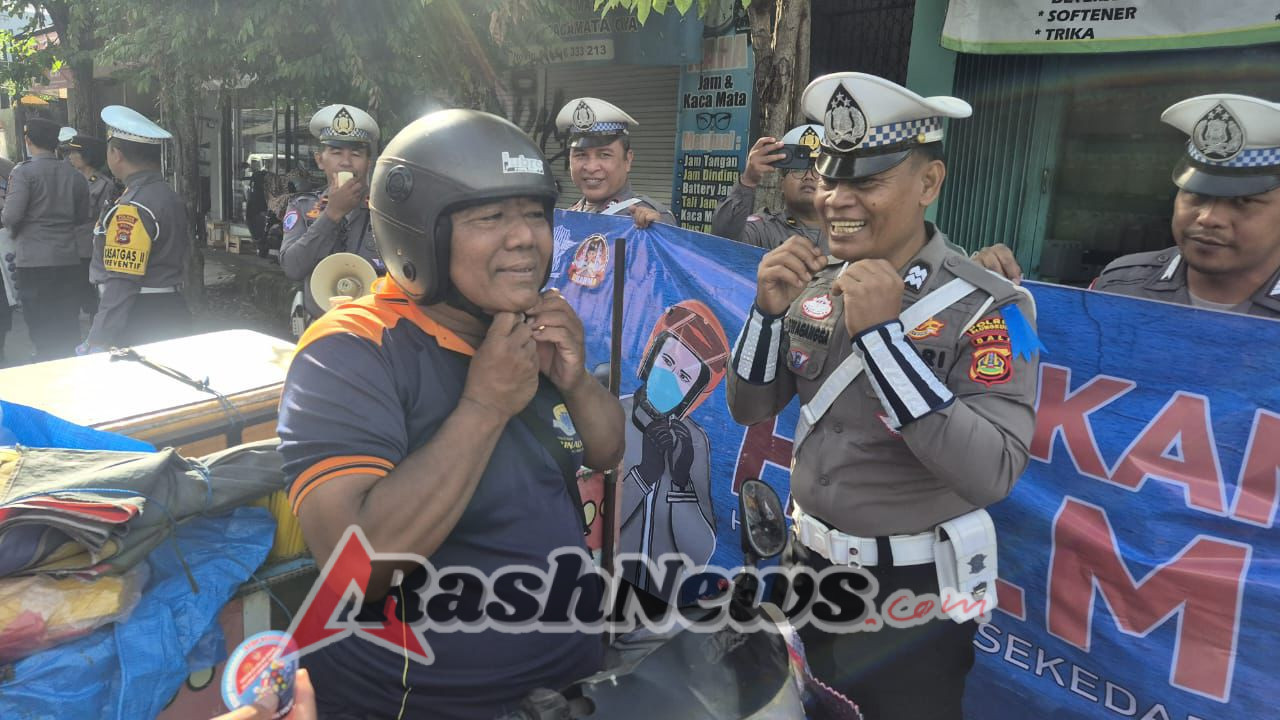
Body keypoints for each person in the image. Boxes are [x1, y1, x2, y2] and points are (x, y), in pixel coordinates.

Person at [276, 109, 625, 720]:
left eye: (535, 214)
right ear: (419, 235)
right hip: (426, 703)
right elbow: (357, 567)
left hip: (571, 688)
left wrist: (574, 379)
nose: (525, 238)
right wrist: (485, 405)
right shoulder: (351, 350)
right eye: (491, 217)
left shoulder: (522, 324)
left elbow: (606, 453)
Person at [725, 72, 1040, 720]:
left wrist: (884, 340)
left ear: (928, 183)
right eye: (831, 178)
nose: (837, 199)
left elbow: (993, 469)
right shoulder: (817, 285)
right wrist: (763, 314)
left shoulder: (993, 307)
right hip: (802, 567)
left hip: (910, 598)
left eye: (865, 182)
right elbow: (749, 410)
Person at [973, 93, 1280, 317]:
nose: (1210, 218)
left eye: (1243, 202)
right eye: (1196, 195)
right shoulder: (1121, 286)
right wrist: (982, 294)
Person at [81, 106, 192, 352]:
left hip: (138, 317)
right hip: (167, 310)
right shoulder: (166, 195)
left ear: (116, 154)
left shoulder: (133, 205)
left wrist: (98, 337)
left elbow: (122, 282)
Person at [279, 104, 381, 320]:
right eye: (335, 152)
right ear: (320, 160)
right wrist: (331, 214)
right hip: (318, 328)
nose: (345, 162)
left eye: (356, 154)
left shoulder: (383, 211)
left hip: (373, 330)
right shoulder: (303, 206)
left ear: (368, 164)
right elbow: (292, 267)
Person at [1, 117, 90, 361]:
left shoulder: (23, 173)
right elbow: (84, 216)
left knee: (40, 324)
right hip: (68, 259)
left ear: (28, 141)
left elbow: (11, 216)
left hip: (34, 262)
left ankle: (46, 367)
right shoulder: (73, 175)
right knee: (67, 321)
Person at [555, 97, 676, 228]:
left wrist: (660, 233)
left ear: (628, 160)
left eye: (604, 155)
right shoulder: (567, 218)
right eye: (581, 155)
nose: (591, 167)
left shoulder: (650, 220)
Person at [711, 124, 828, 252]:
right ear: (781, 184)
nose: (809, 177)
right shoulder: (763, 229)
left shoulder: (847, 232)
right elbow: (723, 244)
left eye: (817, 170)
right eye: (798, 169)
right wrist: (748, 181)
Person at [64, 133, 116, 323]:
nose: (70, 156)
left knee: (91, 294)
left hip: (88, 246)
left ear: (87, 156)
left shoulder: (103, 184)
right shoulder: (70, 180)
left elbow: (102, 218)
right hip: (71, 246)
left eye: (74, 152)